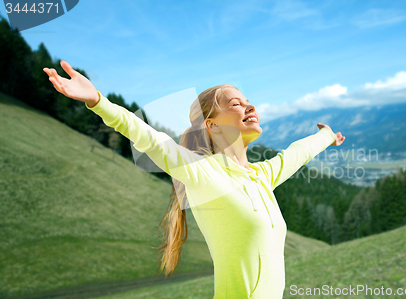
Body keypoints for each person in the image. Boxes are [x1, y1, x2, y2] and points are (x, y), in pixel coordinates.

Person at [43, 60, 345, 299]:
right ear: (211, 124)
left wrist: (326, 135)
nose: (250, 106)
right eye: (236, 103)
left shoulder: (261, 176)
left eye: (248, 100)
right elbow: (149, 138)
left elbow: (298, 152)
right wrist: (97, 100)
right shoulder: (202, 172)